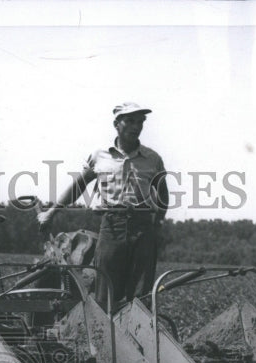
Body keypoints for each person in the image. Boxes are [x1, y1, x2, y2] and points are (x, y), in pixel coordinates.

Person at [38, 102, 170, 307]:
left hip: (143, 228)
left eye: (140, 122)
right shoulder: (100, 156)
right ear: (117, 124)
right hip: (111, 226)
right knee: (105, 291)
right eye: (130, 121)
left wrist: (158, 224)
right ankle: (104, 336)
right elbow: (78, 186)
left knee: (141, 296)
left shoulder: (152, 159)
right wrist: (51, 212)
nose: (136, 126)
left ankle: (139, 336)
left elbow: (163, 194)